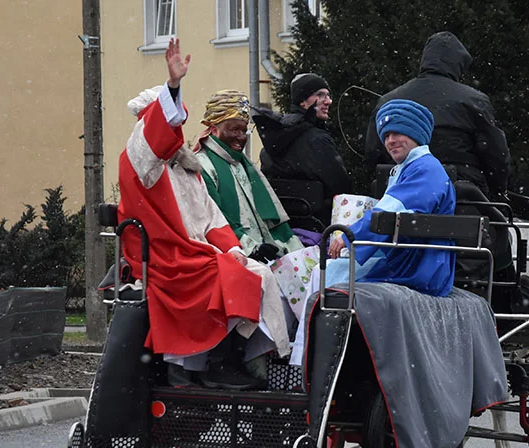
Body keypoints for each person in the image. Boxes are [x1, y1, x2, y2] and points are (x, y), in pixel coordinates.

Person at [118, 38, 289, 390]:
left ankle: (234, 358)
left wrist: (233, 249)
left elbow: (211, 217)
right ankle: (213, 364)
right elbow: (155, 135)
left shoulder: (185, 165)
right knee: (230, 276)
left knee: (256, 272)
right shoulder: (139, 158)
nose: (177, 132)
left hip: (194, 248)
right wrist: (173, 86)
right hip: (163, 255)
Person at [327, 99, 456, 296]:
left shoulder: (425, 169)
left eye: (397, 132)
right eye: (386, 135)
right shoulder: (412, 168)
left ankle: (304, 327)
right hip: (409, 258)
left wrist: (350, 235)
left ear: (416, 134)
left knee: (326, 274)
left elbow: (388, 214)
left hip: (413, 265)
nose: (390, 141)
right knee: (318, 267)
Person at [364, 31, 511, 198]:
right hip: (464, 196)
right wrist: (498, 190)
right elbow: (496, 155)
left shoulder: (388, 101)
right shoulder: (474, 101)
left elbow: (373, 154)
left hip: (402, 191)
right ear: (458, 65)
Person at [195, 90, 304, 263]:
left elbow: (271, 217)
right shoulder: (202, 165)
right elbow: (214, 217)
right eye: (234, 130)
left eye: (244, 130)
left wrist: (292, 248)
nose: (240, 137)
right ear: (214, 129)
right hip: (235, 256)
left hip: (265, 254)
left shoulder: (242, 162)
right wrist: (250, 248)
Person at [252, 73, 353, 225]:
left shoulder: (275, 135)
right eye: (320, 95)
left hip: (280, 228)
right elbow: (342, 189)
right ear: (303, 102)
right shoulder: (317, 140)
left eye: (328, 95)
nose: (329, 101)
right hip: (318, 227)